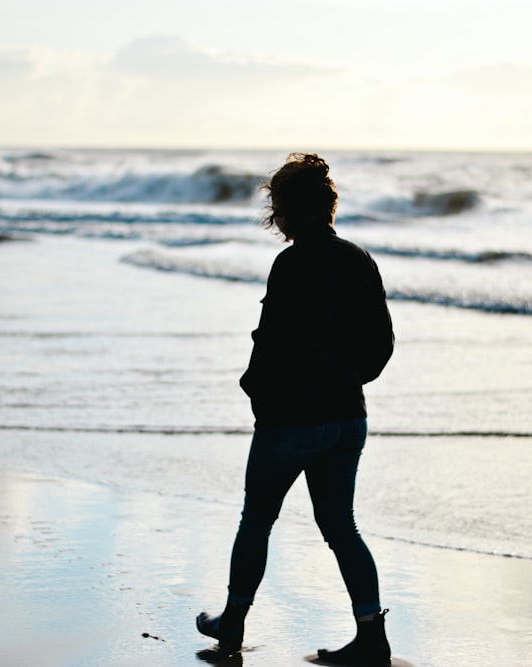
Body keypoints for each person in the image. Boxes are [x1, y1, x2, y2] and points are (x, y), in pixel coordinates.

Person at [196, 153, 395, 666]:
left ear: (287, 209)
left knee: (257, 520)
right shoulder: (359, 258)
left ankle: (233, 624)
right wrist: (348, 382)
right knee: (340, 526)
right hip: (348, 416)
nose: (275, 216)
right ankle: (371, 633)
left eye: (276, 206)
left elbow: (272, 345)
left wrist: (257, 391)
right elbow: (382, 344)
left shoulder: (291, 263)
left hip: (290, 420)